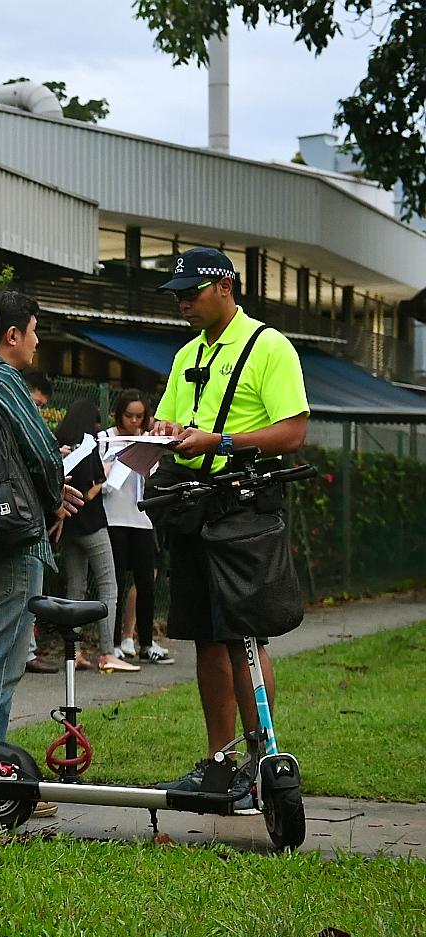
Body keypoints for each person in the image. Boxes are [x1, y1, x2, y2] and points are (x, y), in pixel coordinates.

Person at [149, 247, 308, 808]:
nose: (184, 302)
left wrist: (220, 442)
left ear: (226, 286)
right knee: (205, 638)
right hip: (192, 508)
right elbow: (170, 425)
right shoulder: (187, 355)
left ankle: (264, 760)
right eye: (178, 294)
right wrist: (164, 433)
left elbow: (292, 432)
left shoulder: (269, 347)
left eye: (191, 291)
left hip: (243, 510)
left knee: (245, 634)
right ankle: (222, 761)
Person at [0, 291, 81, 745]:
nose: (36, 343)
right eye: (34, 332)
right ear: (12, 334)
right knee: (0, 663)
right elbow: (41, 450)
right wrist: (54, 495)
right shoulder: (4, 379)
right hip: (17, 540)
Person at [54, 400, 139, 673]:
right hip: (92, 523)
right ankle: (106, 651)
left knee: (75, 590)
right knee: (108, 586)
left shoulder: (61, 444)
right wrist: (107, 477)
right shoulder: (88, 445)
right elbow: (90, 490)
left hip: (68, 525)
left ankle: (73, 652)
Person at [100, 389, 174, 665]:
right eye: (128, 415)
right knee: (116, 583)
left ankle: (146, 642)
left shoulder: (145, 439)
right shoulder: (106, 438)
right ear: (118, 414)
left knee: (146, 583)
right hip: (113, 518)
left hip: (141, 518)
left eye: (139, 417)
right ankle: (115, 643)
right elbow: (99, 475)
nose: (133, 421)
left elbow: (151, 475)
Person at [21, 371, 60, 675]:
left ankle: (26, 650)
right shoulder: (13, 410)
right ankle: (24, 652)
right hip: (20, 523)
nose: (39, 411)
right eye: (35, 403)